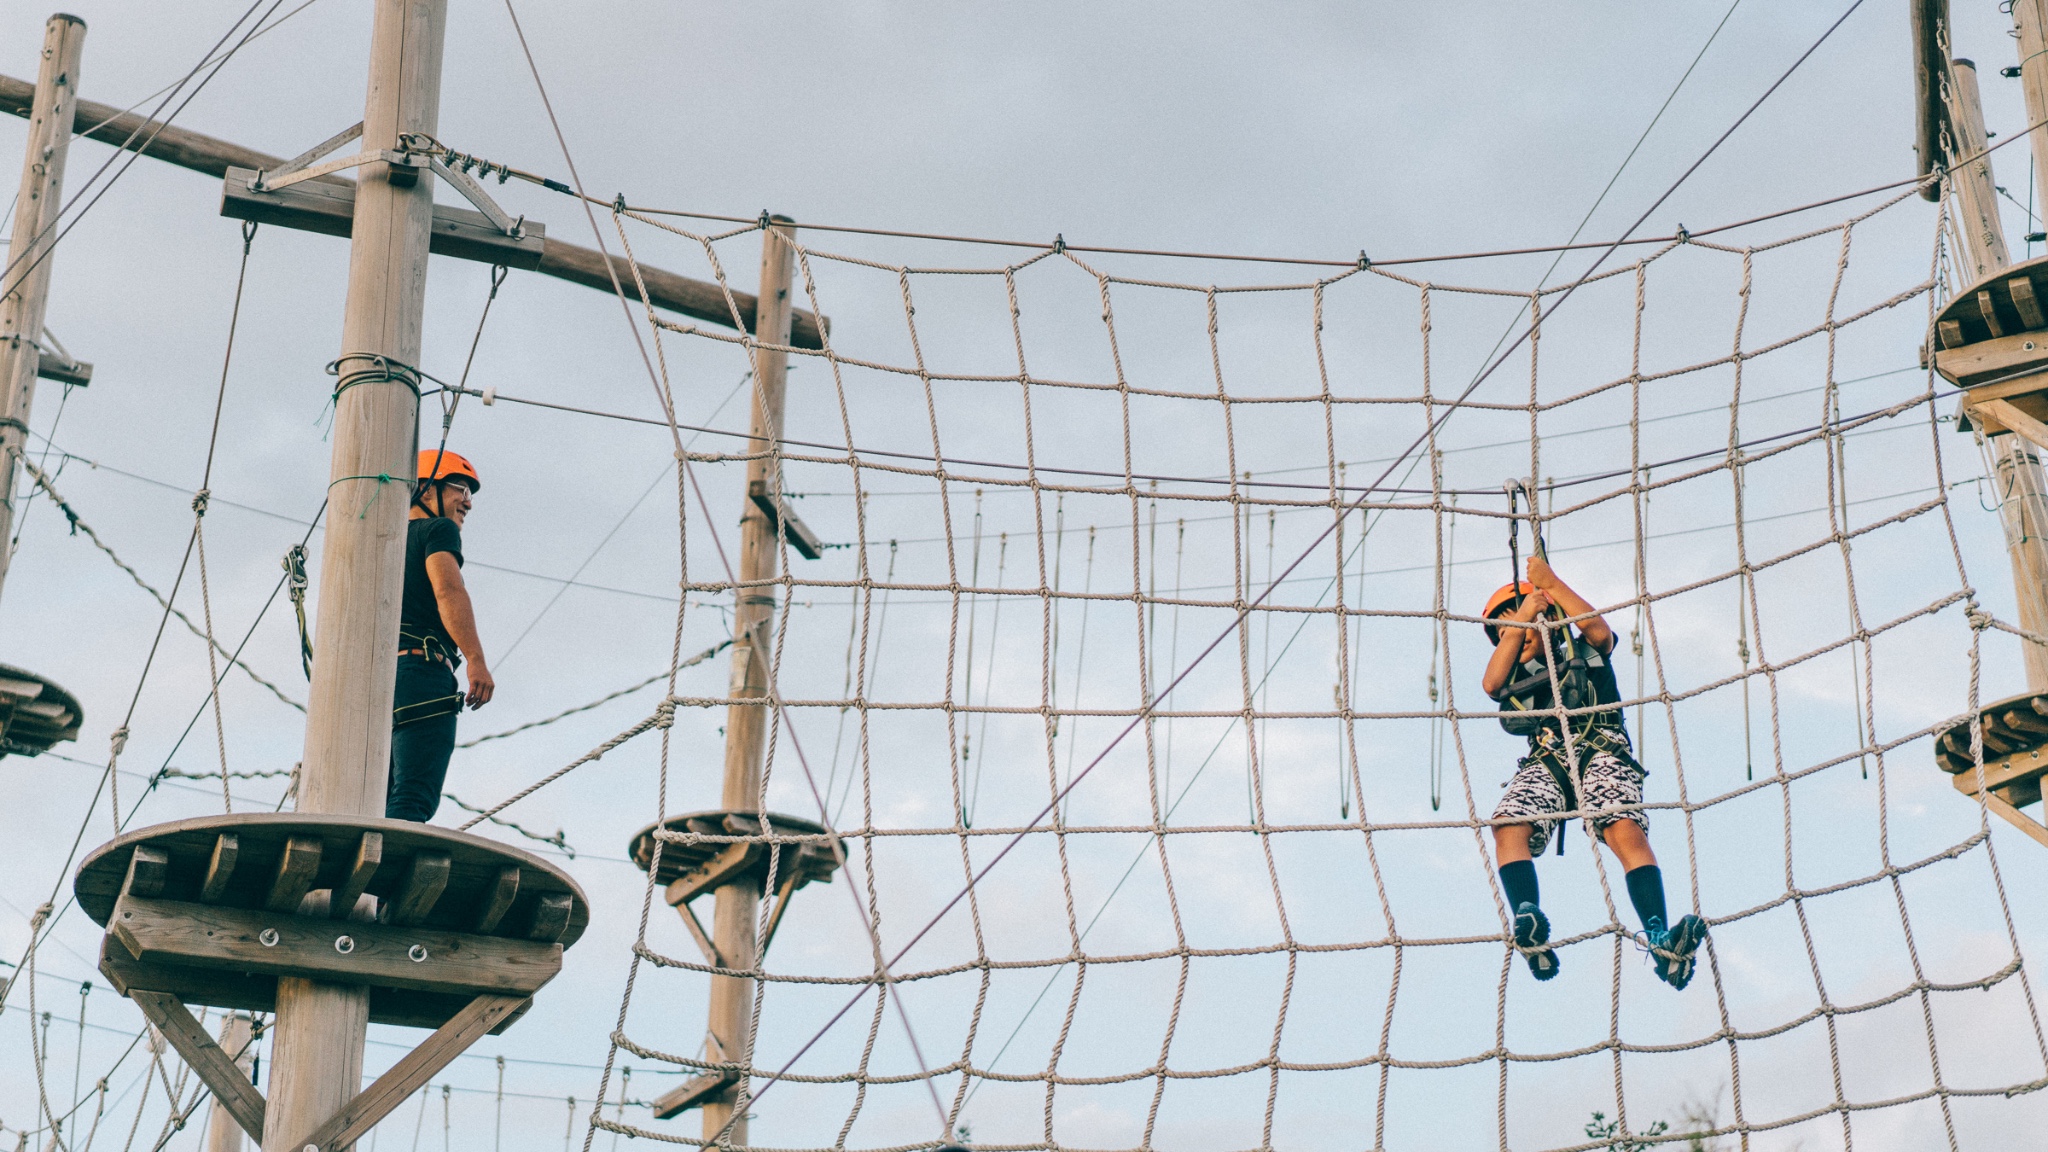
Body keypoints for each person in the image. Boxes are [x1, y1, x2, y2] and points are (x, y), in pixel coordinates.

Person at [1482, 556, 1706, 989]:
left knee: (1624, 829)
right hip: (1549, 757)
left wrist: (1550, 587)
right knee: (1507, 825)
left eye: (1527, 625)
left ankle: (1658, 935)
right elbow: (1491, 684)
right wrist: (1525, 615)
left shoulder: (1582, 649)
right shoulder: (1513, 678)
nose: (1519, 636)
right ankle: (1527, 916)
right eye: (1506, 634)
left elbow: (1600, 631)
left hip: (1601, 746)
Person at [386, 448, 494, 822]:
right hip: (421, 673)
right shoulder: (438, 530)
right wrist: (476, 659)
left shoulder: (381, 541)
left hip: (378, 680)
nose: (467, 501)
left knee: (374, 797)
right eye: (459, 488)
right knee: (414, 796)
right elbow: (448, 589)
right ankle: (383, 877)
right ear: (425, 490)